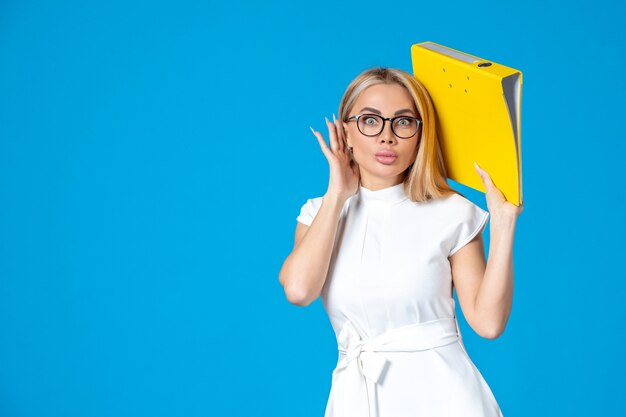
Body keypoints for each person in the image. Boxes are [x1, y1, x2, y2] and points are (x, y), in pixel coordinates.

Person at [278, 67, 523, 417]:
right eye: (370, 120)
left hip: (445, 399)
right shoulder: (319, 213)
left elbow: (488, 322)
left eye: (404, 122)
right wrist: (337, 194)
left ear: (421, 134)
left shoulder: (451, 212)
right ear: (345, 131)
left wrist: (503, 224)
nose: (386, 137)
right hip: (357, 398)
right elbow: (299, 290)